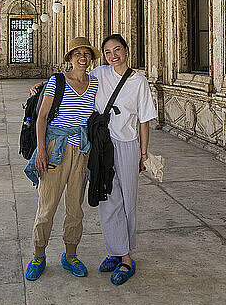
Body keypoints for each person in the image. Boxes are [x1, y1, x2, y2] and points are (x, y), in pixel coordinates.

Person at [25, 37, 100, 281]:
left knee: (75, 208)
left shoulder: (95, 82)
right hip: (55, 149)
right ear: (69, 58)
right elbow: (42, 117)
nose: (82, 57)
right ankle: (38, 255)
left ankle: (70, 255)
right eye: (77, 53)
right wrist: (41, 150)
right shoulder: (57, 82)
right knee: (47, 207)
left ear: (90, 59)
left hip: (81, 151)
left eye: (86, 54)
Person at [91, 34, 157, 286]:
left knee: (128, 198)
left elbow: (144, 119)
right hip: (102, 145)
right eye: (107, 52)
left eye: (117, 49)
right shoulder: (100, 74)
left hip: (128, 145)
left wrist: (144, 152)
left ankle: (126, 257)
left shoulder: (138, 81)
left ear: (126, 50)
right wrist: (45, 87)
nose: (113, 56)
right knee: (107, 197)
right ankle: (113, 250)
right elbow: (75, 80)